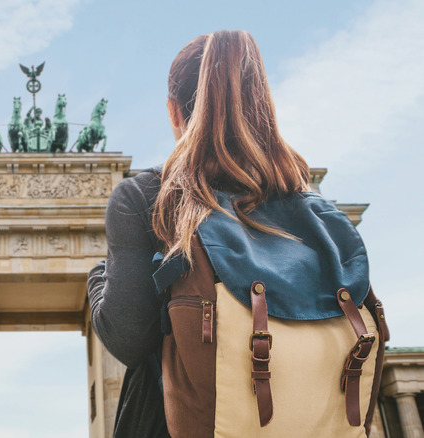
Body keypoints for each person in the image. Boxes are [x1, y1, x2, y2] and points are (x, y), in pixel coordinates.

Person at [87, 30, 384, 437]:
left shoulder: (149, 197)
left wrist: (99, 276)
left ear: (175, 111)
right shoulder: (315, 210)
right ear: (261, 104)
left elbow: (128, 339)